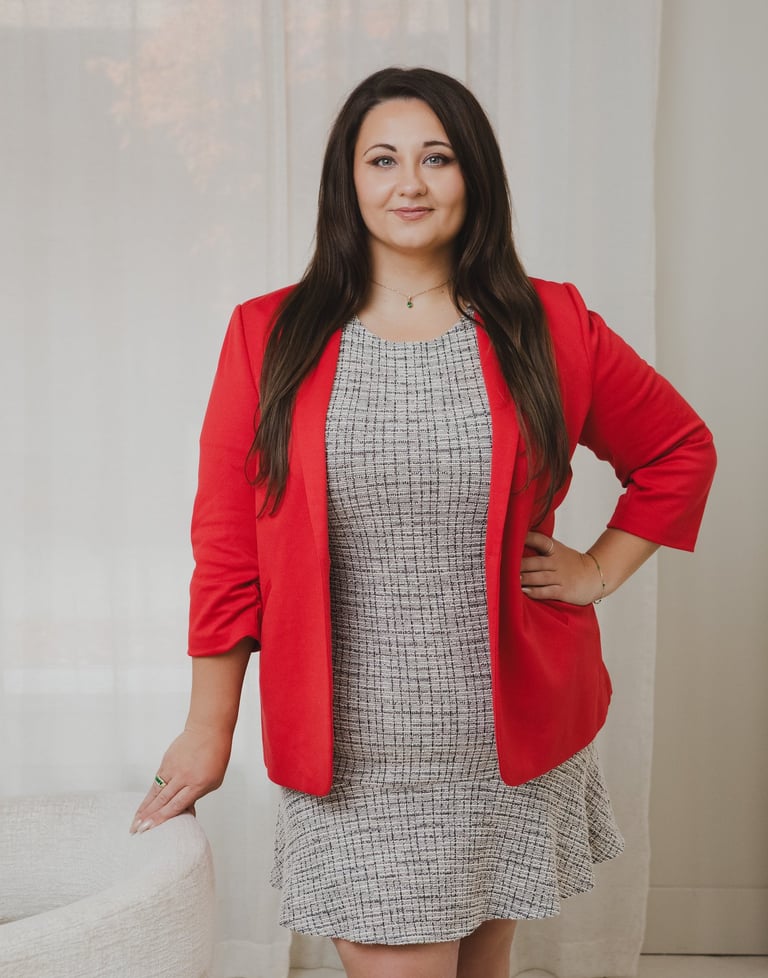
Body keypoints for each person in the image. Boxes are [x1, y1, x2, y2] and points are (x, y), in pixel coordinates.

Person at [130, 67, 716, 978]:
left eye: (437, 158)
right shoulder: (268, 334)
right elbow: (228, 548)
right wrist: (211, 724)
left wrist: (598, 569)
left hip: (509, 741)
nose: (410, 183)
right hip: (353, 754)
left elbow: (679, 449)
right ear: (348, 181)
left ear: (473, 175)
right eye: (383, 160)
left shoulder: (550, 324)